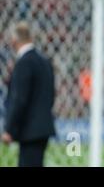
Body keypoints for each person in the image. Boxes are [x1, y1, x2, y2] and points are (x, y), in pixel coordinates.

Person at [1, 22, 56, 167]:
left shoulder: (24, 63)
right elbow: (51, 95)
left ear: (14, 40)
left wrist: (9, 129)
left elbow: (19, 99)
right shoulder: (45, 62)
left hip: (29, 129)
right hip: (43, 127)